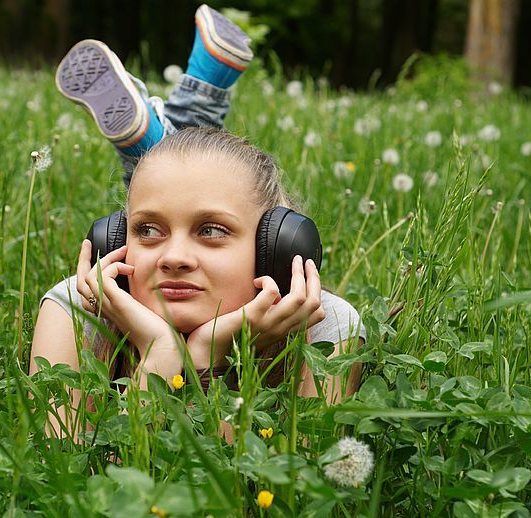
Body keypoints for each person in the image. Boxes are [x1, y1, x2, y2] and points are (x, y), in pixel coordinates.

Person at [30, 5, 365, 440]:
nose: (173, 258)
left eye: (211, 230)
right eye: (148, 230)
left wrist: (211, 354)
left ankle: (173, 122)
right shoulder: (79, 311)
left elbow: (269, 503)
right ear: (114, 239)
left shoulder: (326, 329)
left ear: (277, 249)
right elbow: (73, 487)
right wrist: (158, 356)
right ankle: (190, 105)